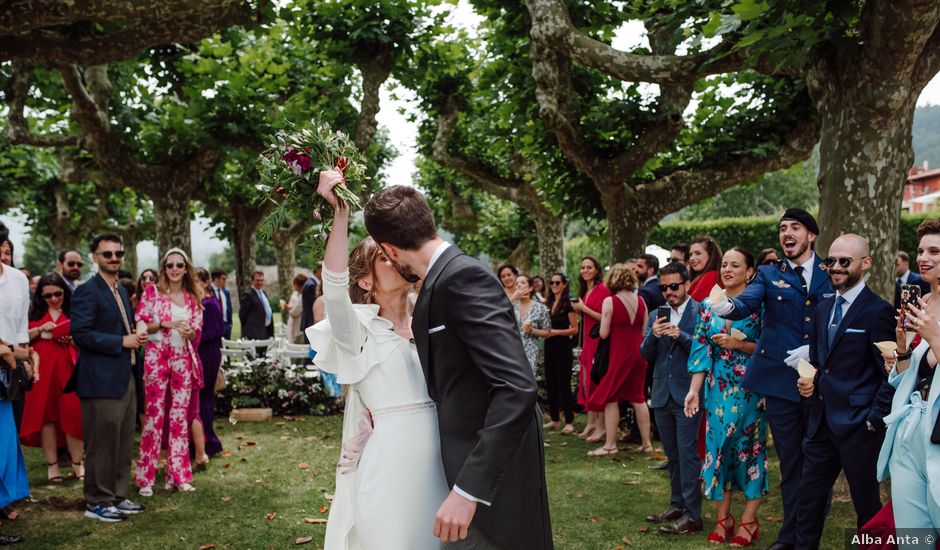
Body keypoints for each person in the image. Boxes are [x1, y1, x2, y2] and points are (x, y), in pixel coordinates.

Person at [364, 182, 552, 549]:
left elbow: (516, 387)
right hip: (461, 469)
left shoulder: (463, 277)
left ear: (388, 248)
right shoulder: (439, 279)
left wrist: (469, 490)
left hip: (493, 482)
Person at [309, 171, 448, 550]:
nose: (392, 256)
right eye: (382, 256)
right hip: (388, 465)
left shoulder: (431, 319)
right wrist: (341, 214)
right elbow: (335, 287)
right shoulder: (357, 330)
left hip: (441, 460)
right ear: (367, 282)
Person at [710, 208, 832, 550]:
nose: (787, 233)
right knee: (792, 463)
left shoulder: (830, 271)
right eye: (782, 229)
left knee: (817, 463)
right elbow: (746, 303)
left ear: (810, 235)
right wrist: (724, 307)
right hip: (780, 384)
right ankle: (788, 538)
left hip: (822, 382)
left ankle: (807, 538)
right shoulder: (768, 273)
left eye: (795, 227)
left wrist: (815, 351)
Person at [793, 235, 894, 549]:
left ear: (866, 263)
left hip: (859, 428)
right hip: (820, 424)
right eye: (830, 261)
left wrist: (872, 419)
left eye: (844, 261)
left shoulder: (879, 312)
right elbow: (822, 361)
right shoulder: (823, 308)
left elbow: (890, 376)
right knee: (807, 502)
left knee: (866, 507)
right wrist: (809, 382)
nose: (835, 268)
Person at [685, 248, 767, 546]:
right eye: (724, 265)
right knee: (719, 451)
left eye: (736, 265)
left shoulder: (759, 307)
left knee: (749, 450)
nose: (728, 270)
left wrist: (739, 345)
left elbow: (769, 349)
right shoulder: (707, 306)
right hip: (717, 390)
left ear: (749, 272)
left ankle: (748, 520)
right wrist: (694, 391)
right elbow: (700, 351)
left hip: (751, 390)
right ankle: (723, 519)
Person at [69, 233, 147, 522]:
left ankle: (117, 495)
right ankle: (97, 502)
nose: (114, 258)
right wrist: (122, 342)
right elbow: (81, 334)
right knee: (101, 444)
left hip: (124, 375)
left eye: (118, 254)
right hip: (100, 379)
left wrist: (135, 335)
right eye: (107, 254)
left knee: (124, 440)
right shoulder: (87, 291)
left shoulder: (121, 290)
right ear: (95, 257)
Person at [878, 219, 940, 544]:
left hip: (938, 435)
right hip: (907, 433)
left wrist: (935, 336)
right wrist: (902, 350)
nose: (923, 257)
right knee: (913, 536)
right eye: (920, 250)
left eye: (934, 251)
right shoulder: (920, 305)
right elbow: (906, 380)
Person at [134, 248, 203, 496]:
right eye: (170, 265)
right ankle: (145, 478)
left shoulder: (192, 299)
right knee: (153, 418)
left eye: (179, 265)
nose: (174, 269)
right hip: (156, 359)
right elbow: (141, 321)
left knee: (179, 419)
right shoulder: (152, 293)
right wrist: (162, 324)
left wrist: (189, 333)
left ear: (186, 269)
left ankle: (179, 475)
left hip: (183, 360)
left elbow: (196, 332)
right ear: (164, 268)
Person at [640, 261, 702, 535]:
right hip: (662, 394)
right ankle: (677, 504)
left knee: (688, 455)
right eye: (664, 288)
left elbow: (705, 350)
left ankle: (692, 514)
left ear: (687, 284)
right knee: (673, 455)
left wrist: (681, 335)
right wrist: (653, 336)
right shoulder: (656, 314)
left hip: (689, 394)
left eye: (674, 286)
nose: (669, 292)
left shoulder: (701, 312)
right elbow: (644, 354)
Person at [23, 274, 84, 482]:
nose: (54, 299)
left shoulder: (72, 310)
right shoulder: (35, 312)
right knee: (47, 416)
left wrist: (71, 338)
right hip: (45, 368)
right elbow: (21, 337)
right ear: (40, 295)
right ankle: (53, 466)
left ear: (64, 292)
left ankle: (77, 463)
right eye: (48, 295)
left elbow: (85, 337)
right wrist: (40, 329)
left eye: (57, 294)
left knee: (73, 412)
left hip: (68, 366)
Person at [588, 262, 651, 456]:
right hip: (639, 353)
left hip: (619, 353)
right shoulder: (641, 301)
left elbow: (604, 333)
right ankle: (647, 443)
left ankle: (610, 445)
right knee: (638, 398)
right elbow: (644, 330)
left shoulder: (610, 301)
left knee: (610, 397)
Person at [0, 222, 30, 545]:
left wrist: (23, 355)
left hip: (7, 373)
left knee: (6, 447)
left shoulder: (18, 280)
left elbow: (21, 326)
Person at [573, 256, 610, 441]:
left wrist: (583, 308)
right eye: (582, 267)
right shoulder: (585, 290)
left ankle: (601, 425)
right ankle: (591, 421)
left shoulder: (603, 290)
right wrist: (579, 309)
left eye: (589, 267)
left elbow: (604, 316)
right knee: (586, 381)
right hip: (587, 340)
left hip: (598, 340)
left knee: (595, 381)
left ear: (596, 270)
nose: (585, 270)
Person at [543, 273, 578, 435]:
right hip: (549, 346)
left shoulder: (568, 304)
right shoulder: (547, 302)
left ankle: (569, 421)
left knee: (564, 384)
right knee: (551, 382)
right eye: (552, 283)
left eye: (558, 282)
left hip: (563, 347)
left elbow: (574, 329)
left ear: (564, 284)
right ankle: (555, 419)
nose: (554, 285)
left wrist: (555, 332)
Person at [194, 268, 224, 458]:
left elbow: (215, 330)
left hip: (209, 354)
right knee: (200, 398)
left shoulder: (210, 304)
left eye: (196, 281)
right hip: (200, 353)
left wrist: (192, 335)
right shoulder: (198, 304)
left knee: (205, 396)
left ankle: (210, 441)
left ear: (205, 283)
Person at [513, 274, 551, 376]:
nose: (519, 285)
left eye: (522, 282)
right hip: (511, 351)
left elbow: (547, 332)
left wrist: (532, 330)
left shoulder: (540, 308)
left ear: (530, 287)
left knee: (527, 383)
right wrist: (512, 298)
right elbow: (498, 314)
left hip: (530, 352)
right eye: (516, 284)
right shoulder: (510, 306)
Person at [239, 271, 274, 354]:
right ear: (252, 281)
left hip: (265, 331)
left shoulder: (263, 293)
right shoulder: (248, 294)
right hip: (254, 333)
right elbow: (242, 315)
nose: (260, 282)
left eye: (261, 280)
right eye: (257, 280)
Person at [688, 236, 722, 302]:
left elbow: (692, 305)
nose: (692, 258)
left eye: (698, 253)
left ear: (711, 255)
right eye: (690, 254)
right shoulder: (697, 276)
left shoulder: (712, 276)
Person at [299, 264, 321, 344]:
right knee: (310, 350)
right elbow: (317, 304)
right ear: (318, 271)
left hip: (310, 322)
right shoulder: (311, 285)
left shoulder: (311, 283)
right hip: (310, 322)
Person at [283, 274, 307, 344]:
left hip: (299, 324)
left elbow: (295, 311)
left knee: (297, 342)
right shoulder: (296, 294)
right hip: (295, 321)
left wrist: (289, 309)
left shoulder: (303, 295)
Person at [209, 269, 233, 339]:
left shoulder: (226, 292)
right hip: (214, 327)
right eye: (223, 279)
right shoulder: (208, 291)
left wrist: (230, 325)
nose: (225, 281)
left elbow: (229, 309)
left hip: (226, 326)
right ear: (216, 279)